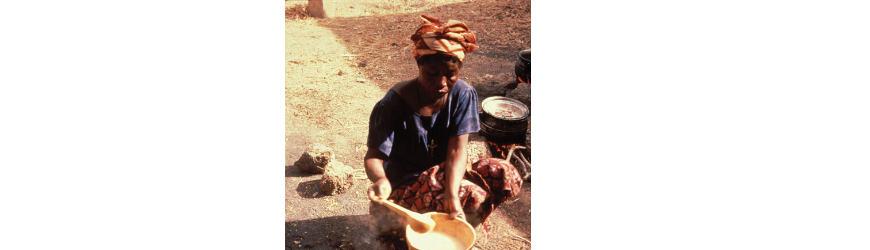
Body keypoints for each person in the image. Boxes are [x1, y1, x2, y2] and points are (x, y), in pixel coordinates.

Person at [364, 14, 524, 238]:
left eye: (451, 75)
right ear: (419, 64)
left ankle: (453, 226)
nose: (441, 83)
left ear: (459, 70)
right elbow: (373, 157)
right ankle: (407, 224)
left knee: (507, 174)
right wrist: (381, 179)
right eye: (432, 73)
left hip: (444, 173)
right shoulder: (392, 104)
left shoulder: (464, 94)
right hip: (406, 183)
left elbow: (458, 150)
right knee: (473, 195)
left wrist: (451, 193)